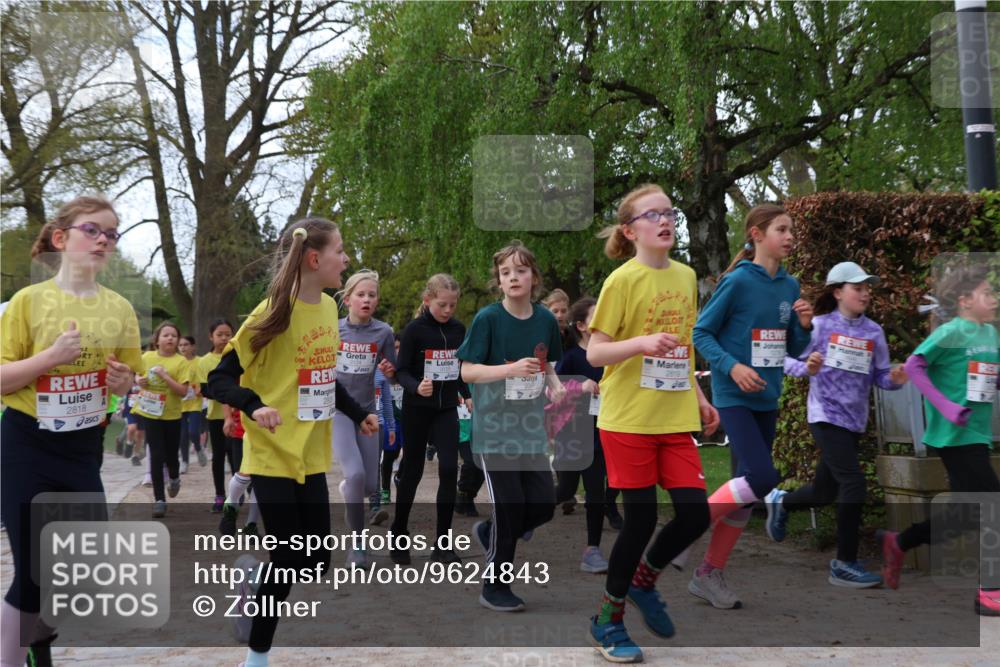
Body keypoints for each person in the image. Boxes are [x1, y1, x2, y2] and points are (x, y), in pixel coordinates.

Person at [208, 219, 378, 667]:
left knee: (317, 560)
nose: (346, 259)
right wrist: (253, 405)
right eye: (341, 251)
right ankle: (256, 656)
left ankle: (252, 578)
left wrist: (359, 414)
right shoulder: (269, 314)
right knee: (286, 555)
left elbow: (320, 377)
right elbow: (218, 378)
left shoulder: (326, 308)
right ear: (314, 258)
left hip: (311, 455)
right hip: (270, 454)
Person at [0, 195, 141, 667]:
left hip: (82, 450)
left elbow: (129, 379)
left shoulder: (120, 309)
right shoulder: (28, 302)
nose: (104, 239)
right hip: (26, 444)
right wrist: (49, 359)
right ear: (61, 239)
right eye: (93, 230)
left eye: (112, 233)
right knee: (33, 573)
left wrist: (125, 385)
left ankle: (38, 638)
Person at [586, 184, 719, 662]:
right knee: (639, 520)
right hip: (628, 419)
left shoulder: (684, 277)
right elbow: (595, 350)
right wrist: (640, 343)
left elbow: (680, 347)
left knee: (694, 514)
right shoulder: (622, 280)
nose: (665, 220)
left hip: (674, 414)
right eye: (652, 214)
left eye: (670, 212)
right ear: (631, 230)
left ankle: (644, 581)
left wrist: (700, 397)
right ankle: (608, 619)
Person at [686, 203, 813, 609]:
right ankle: (685, 530)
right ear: (757, 234)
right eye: (782, 229)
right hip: (734, 393)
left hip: (767, 395)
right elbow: (701, 333)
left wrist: (804, 326)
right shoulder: (738, 281)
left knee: (748, 488)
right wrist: (733, 366)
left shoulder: (790, 287)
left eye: (792, 229)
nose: (790, 236)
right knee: (762, 476)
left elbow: (793, 346)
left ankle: (708, 572)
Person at [766, 262, 907, 587]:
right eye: (858, 288)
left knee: (824, 491)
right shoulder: (818, 326)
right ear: (837, 292)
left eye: (867, 288)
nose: (865, 293)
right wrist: (808, 368)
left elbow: (881, 376)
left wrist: (896, 379)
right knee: (854, 484)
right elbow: (782, 358)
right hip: (825, 416)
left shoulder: (873, 331)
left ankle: (781, 501)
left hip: (854, 421)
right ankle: (844, 563)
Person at [875, 265, 999, 615]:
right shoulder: (951, 332)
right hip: (953, 435)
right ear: (964, 300)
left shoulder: (990, 334)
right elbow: (914, 366)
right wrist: (945, 407)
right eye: (987, 293)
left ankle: (899, 542)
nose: (994, 299)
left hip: (977, 433)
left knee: (965, 515)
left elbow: (989, 378)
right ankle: (990, 592)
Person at [458, 240, 566, 612]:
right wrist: (510, 369)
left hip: (531, 431)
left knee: (544, 505)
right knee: (509, 507)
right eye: (506, 272)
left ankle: (488, 533)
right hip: (494, 431)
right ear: (499, 281)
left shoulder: (546, 320)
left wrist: (555, 388)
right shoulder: (488, 319)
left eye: (520, 270)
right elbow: (467, 370)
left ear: (533, 277)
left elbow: (548, 363)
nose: (513, 277)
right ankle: (494, 586)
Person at [390, 273, 470, 565]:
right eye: (442, 305)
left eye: (453, 305)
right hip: (417, 409)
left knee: (450, 468)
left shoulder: (460, 330)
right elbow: (401, 371)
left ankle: (443, 544)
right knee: (412, 472)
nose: (448, 311)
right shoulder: (414, 330)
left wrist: (467, 392)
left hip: (447, 409)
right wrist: (415, 386)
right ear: (427, 301)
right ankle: (399, 533)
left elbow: (460, 368)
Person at [332, 269, 397, 565]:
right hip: (340, 412)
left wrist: (389, 372)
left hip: (368, 413)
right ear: (347, 300)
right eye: (361, 295)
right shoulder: (333, 330)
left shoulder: (383, 332)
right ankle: (357, 545)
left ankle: (350, 490)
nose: (366, 299)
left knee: (369, 485)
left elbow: (392, 372)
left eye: (372, 295)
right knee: (356, 474)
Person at [549, 297, 611, 573]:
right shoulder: (571, 356)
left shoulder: (611, 354)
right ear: (582, 325)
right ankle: (524, 518)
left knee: (597, 491)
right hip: (572, 432)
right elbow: (554, 389)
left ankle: (592, 550)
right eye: (598, 316)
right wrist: (580, 385)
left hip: (601, 431)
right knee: (565, 490)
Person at [133, 321, 193, 517]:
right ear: (156, 340)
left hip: (172, 415)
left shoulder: (181, 362)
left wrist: (165, 376)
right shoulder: (147, 357)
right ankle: (159, 499)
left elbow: (183, 391)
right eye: (166, 335)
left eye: (174, 336)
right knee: (156, 456)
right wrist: (138, 380)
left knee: (170, 456)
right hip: (150, 413)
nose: (170, 338)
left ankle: (174, 478)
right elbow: (137, 376)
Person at [198, 318, 236, 512]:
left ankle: (237, 493)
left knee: (236, 456)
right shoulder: (205, 362)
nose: (224, 338)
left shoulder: (238, 357)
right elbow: (205, 390)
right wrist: (227, 392)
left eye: (228, 335)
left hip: (238, 416)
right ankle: (220, 495)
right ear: (211, 337)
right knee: (219, 457)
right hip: (216, 417)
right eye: (219, 335)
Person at [177, 334, 208, 473]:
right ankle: (184, 462)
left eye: (186, 345)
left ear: (193, 347)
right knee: (183, 435)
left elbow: (205, 379)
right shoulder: (176, 362)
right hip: (179, 404)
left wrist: (200, 389)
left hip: (195, 403)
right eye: (181, 345)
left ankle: (198, 447)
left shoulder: (200, 362)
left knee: (193, 431)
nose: (183, 348)